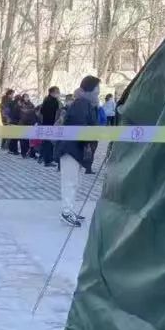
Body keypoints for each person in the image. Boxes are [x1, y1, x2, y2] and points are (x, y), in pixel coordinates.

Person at [56, 75, 101, 226]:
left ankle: (70, 210)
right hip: (71, 149)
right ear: (90, 89)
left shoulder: (87, 103)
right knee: (69, 182)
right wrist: (89, 140)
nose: (99, 91)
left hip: (77, 149)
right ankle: (66, 212)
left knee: (74, 182)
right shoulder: (81, 103)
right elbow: (80, 126)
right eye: (97, 88)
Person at [38, 86, 61, 166]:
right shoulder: (52, 101)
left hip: (46, 123)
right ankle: (48, 160)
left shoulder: (47, 100)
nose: (58, 93)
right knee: (48, 142)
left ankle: (43, 157)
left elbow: (42, 111)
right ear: (52, 92)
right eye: (57, 92)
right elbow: (53, 113)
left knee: (46, 142)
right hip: (50, 124)